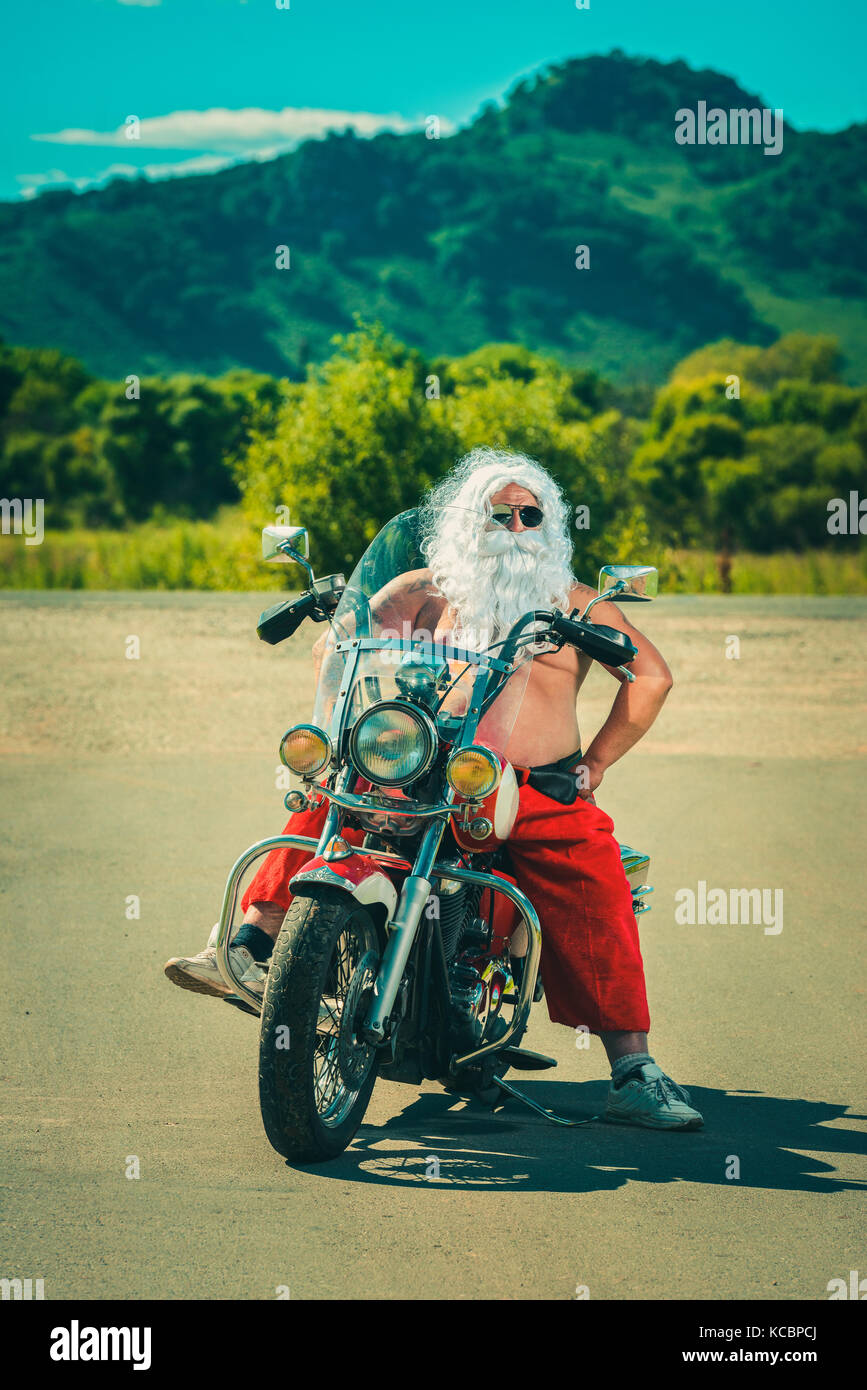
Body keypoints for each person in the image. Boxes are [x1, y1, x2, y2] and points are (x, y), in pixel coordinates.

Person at [165, 448, 703, 1130]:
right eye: (497, 512)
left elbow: (649, 677)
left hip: (530, 784)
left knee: (591, 872)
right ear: (466, 520)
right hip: (426, 765)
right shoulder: (427, 590)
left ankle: (632, 1070)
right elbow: (345, 642)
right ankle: (245, 947)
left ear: (548, 525)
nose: (513, 526)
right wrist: (338, 656)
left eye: (528, 514)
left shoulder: (571, 601)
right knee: (333, 801)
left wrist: (594, 763)